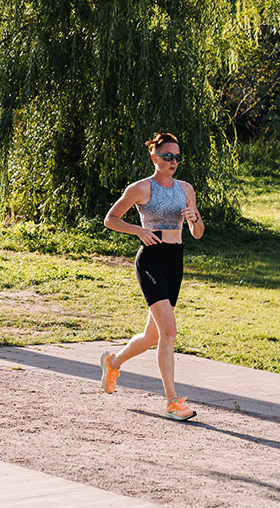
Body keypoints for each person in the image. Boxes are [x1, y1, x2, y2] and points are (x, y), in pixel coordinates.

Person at [100, 131, 204, 420]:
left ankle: (113, 363)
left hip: (175, 260)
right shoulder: (141, 188)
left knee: (152, 336)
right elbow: (111, 219)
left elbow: (198, 233)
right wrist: (139, 231)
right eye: (167, 156)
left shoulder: (186, 189)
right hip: (151, 260)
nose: (173, 162)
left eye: (177, 157)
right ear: (154, 156)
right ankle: (172, 402)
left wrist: (195, 219)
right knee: (169, 333)